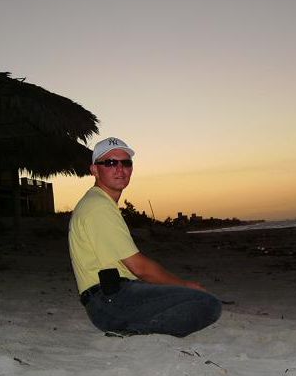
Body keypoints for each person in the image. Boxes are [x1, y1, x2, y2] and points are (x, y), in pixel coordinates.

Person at [68, 137, 222, 337]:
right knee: (207, 303)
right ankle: (135, 328)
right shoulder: (98, 206)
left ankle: (135, 326)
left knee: (184, 298)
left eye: (126, 163)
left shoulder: (97, 202)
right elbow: (139, 267)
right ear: (95, 170)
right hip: (110, 300)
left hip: (110, 299)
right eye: (111, 163)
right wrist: (184, 285)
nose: (120, 169)